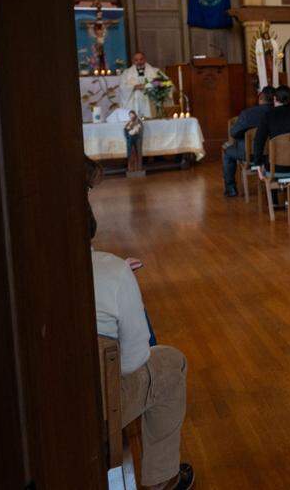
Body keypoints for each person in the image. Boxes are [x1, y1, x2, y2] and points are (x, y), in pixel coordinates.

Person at [88, 160, 194, 490]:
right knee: (169, 364)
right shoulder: (111, 271)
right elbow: (134, 361)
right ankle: (161, 480)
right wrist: (121, 281)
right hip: (98, 403)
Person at [221, 85, 273, 196]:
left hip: (250, 154)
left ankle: (231, 188)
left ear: (260, 98)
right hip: (274, 154)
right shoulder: (278, 112)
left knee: (227, 151)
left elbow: (234, 133)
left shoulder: (248, 113)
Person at [252, 85, 290, 172]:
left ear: (275, 99)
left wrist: (257, 164)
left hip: (276, 166)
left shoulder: (268, 115)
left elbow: (259, 141)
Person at [118, 51, 167, 118]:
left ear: (145, 59)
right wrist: (134, 87)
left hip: (150, 103)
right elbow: (122, 87)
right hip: (134, 104)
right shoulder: (126, 73)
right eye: (136, 60)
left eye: (141, 59)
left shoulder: (155, 71)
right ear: (133, 61)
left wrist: (148, 85)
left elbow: (165, 83)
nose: (139, 62)